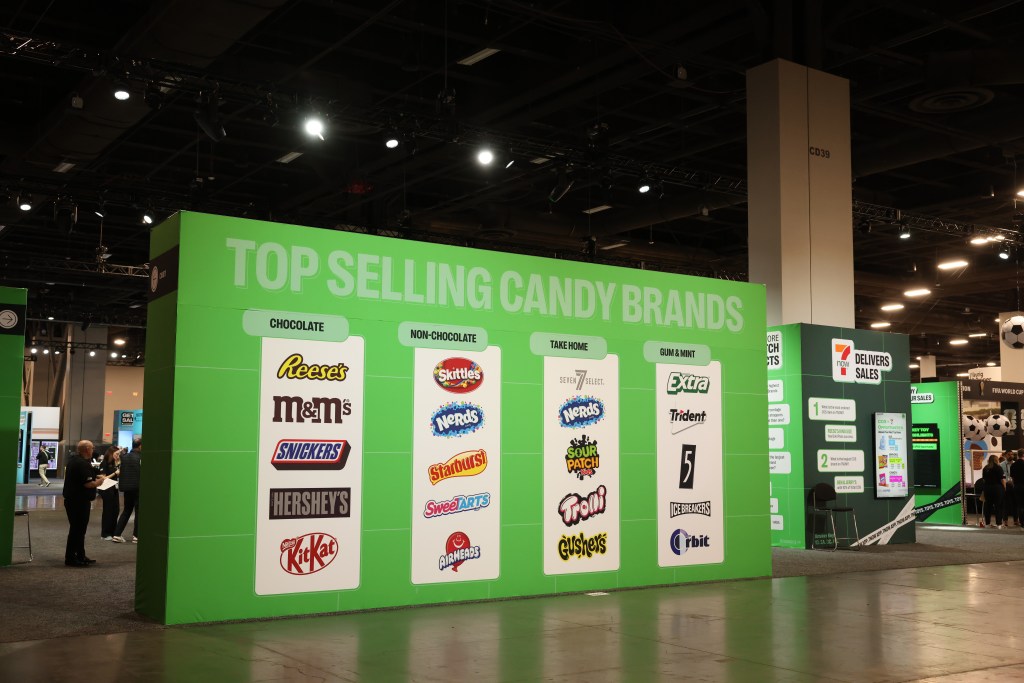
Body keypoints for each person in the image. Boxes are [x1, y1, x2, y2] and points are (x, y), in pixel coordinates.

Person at [62, 440, 106, 566]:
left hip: (74, 500)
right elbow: (88, 484)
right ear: (87, 449)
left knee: (79, 530)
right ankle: (71, 558)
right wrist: (100, 482)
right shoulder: (82, 464)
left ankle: (80, 555)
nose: (93, 450)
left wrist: (96, 477)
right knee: (77, 530)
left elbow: (86, 476)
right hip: (78, 501)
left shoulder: (75, 461)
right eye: (92, 448)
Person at [112, 437, 141, 544]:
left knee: (126, 510)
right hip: (138, 488)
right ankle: (136, 536)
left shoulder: (124, 457)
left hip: (127, 488)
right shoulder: (141, 457)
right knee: (139, 511)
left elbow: (117, 455)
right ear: (140, 446)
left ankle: (117, 534)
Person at [97, 446, 121, 539]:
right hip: (107, 489)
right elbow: (103, 477)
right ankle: (105, 533)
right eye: (116, 454)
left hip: (114, 488)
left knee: (116, 510)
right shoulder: (105, 463)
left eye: (119, 454)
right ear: (111, 453)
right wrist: (115, 473)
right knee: (108, 511)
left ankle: (113, 532)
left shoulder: (115, 463)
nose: (118, 456)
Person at [982, 453, 1006, 529]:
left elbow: (984, 480)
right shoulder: (999, 468)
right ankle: (999, 524)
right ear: (996, 460)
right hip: (997, 488)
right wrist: (1004, 488)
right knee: (998, 506)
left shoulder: (985, 468)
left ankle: (987, 524)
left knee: (988, 506)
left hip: (987, 488)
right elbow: (1002, 479)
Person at [1011, 453, 1024, 529]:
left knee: (1020, 505)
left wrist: (1014, 485)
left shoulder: (1013, 465)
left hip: (1017, 486)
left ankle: (1022, 522)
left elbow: (1012, 478)